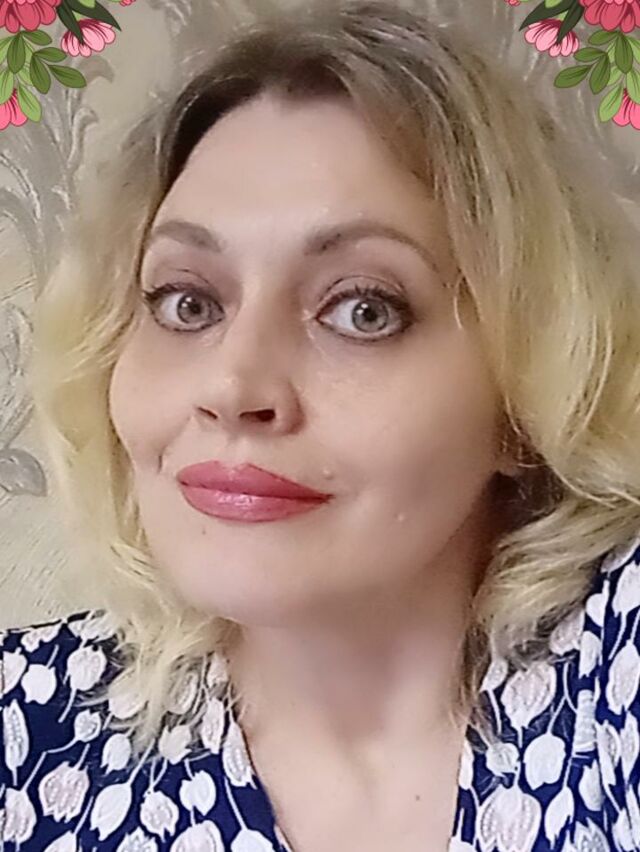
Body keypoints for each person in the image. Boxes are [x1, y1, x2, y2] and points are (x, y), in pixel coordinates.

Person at [2, 0, 640, 849]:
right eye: (187, 302)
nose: (232, 386)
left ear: (525, 397)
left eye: (363, 310)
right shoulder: (27, 738)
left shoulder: (614, 672)